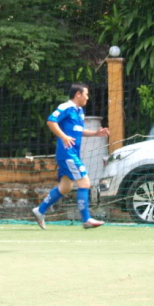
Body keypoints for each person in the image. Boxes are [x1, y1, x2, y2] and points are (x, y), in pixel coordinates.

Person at [33, 83, 109, 230]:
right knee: (85, 183)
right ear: (78, 94)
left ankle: (40, 210)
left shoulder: (79, 111)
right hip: (67, 153)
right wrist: (64, 137)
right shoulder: (65, 107)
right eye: (86, 94)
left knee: (65, 187)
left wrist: (96, 133)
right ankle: (86, 219)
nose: (88, 97)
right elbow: (50, 121)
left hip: (72, 153)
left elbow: (78, 131)